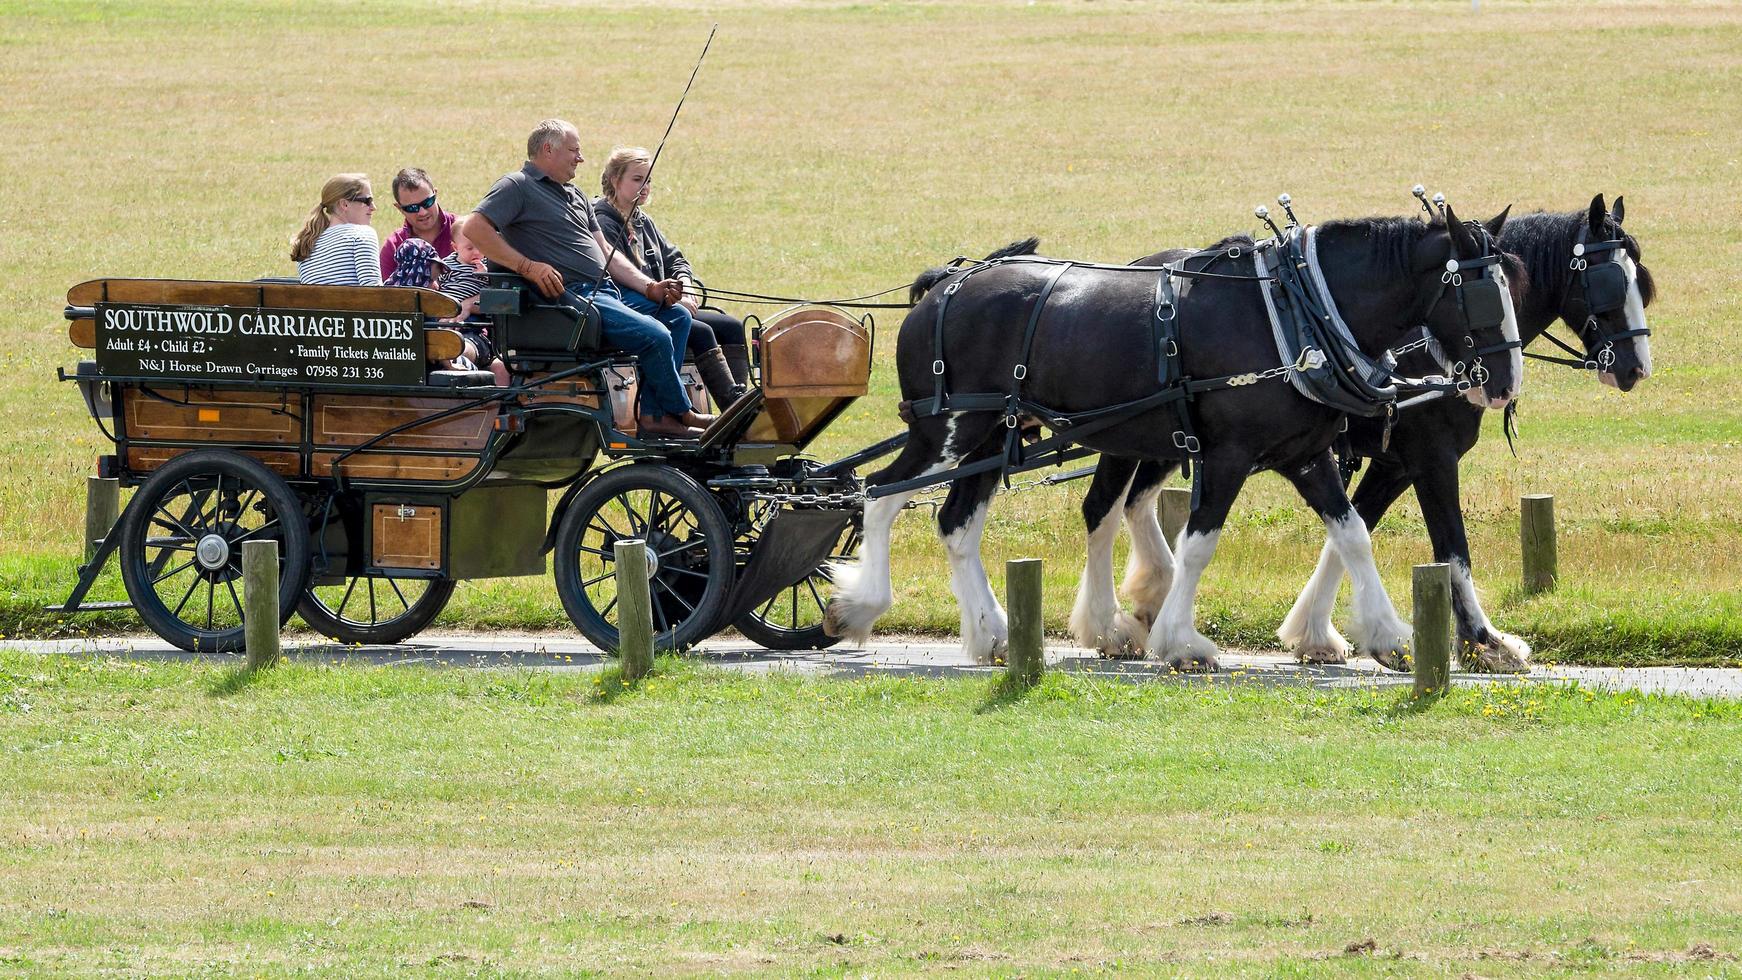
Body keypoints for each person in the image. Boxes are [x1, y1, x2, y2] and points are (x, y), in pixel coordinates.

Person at [463, 119, 711, 437]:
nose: (580, 158)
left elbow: (606, 251)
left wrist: (649, 287)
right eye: (574, 150)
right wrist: (528, 267)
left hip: (606, 293)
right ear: (548, 150)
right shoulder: (517, 186)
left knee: (675, 316)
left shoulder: (576, 194)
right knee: (657, 336)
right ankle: (678, 413)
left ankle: (653, 414)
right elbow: (474, 228)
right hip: (575, 300)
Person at [594, 146, 749, 408]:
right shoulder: (603, 222)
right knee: (702, 332)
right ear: (614, 180)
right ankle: (729, 407)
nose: (645, 187)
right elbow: (619, 280)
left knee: (731, 326)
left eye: (649, 180)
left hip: (666, 301)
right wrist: (674, 302)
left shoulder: (643, 220)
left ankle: (740, 401)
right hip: (634, 308)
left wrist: (686, 287)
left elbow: (675, 259)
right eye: (637, 179)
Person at [291, 174, 382, 286]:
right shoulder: (362, 234)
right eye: (367, 201)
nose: (373, 207)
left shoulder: (307, 244)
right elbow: (373, 291)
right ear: (344, 204)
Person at [379, 168, 457, 282]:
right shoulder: (393, 246)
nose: (422, 212)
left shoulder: (464, 231)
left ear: (436, 194)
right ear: (400, 208)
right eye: (412, 208)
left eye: (427, 202)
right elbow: (387, 296)